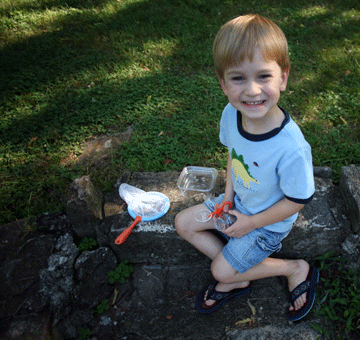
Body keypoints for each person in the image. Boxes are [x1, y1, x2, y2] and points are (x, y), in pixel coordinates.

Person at [175, 14, 319, 321]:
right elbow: (233, 155)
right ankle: (237, 273)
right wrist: (227, 197)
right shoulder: (231, 114)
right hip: (237, 205)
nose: (252, 91)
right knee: (183, 223)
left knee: (218, 271)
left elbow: (296, 201)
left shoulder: (291, 147)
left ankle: (295, 268)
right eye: (238, 78)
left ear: (283, 77)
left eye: (264, 76)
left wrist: (251, 225)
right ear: (223, 84)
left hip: (266, 225)